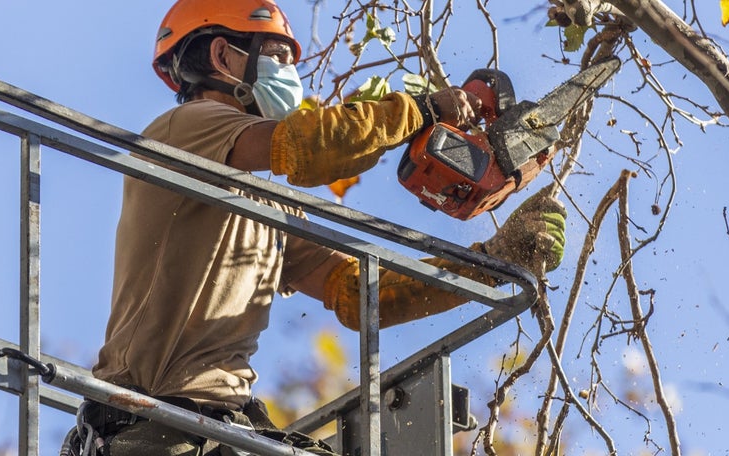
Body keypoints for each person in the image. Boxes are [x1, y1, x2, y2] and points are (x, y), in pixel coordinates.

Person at [68, 0, 567, 455]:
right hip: (152, 424)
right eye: (277, 55)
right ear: (223, 56)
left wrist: (491, 261)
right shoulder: (183, 130)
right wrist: (420, 110)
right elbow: (309, 148)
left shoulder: (261, 201)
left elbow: (358, 291)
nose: (291, 74)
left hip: (216, 428)